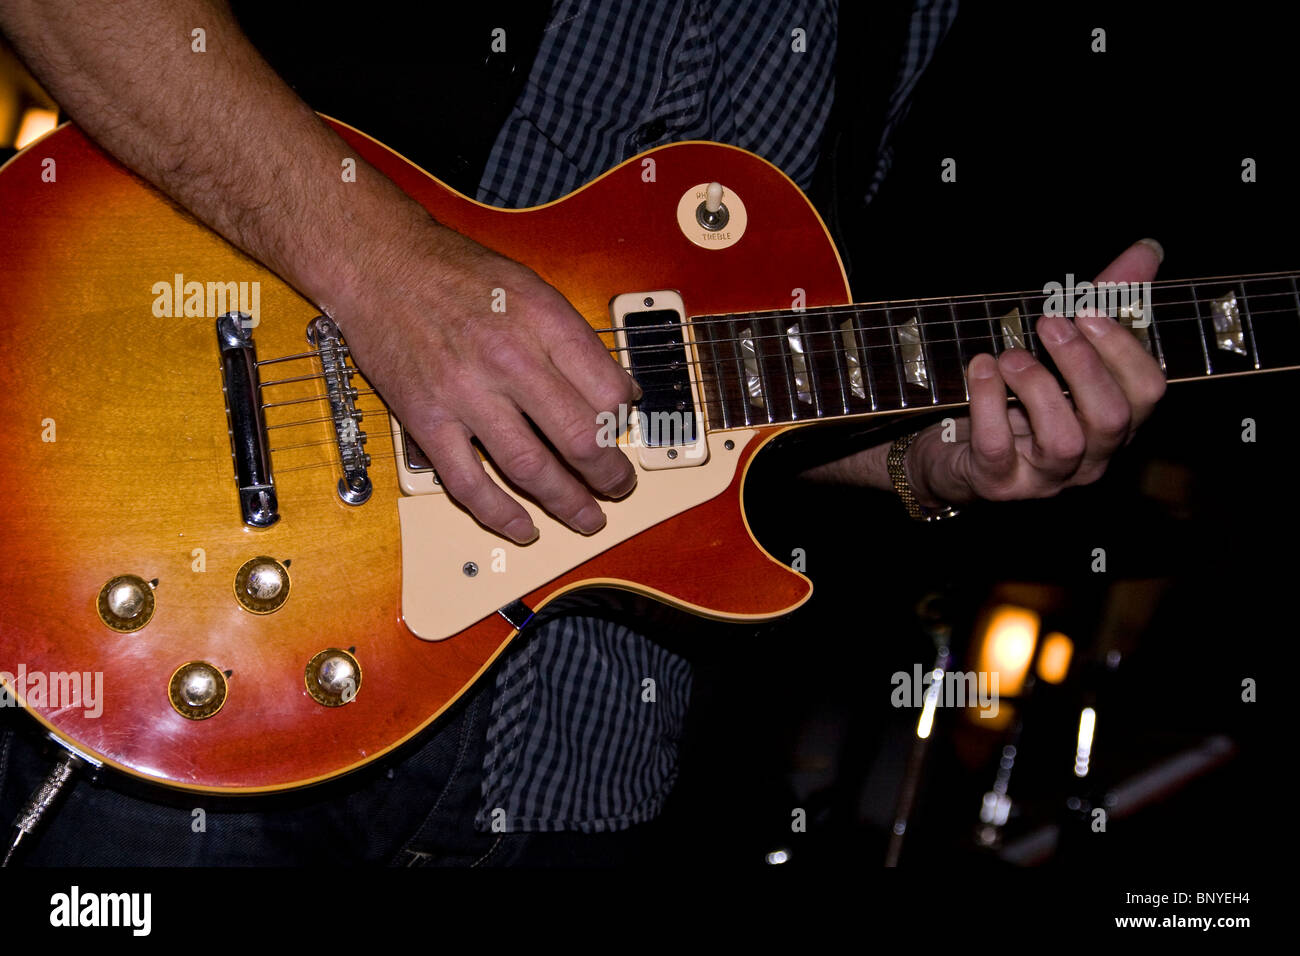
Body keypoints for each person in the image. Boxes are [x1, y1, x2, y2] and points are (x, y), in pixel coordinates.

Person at [0, 0, 1166, 865]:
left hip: (583, 758)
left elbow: (722, 365)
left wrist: (932, 462)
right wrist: (380, 266)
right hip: (215, 645)